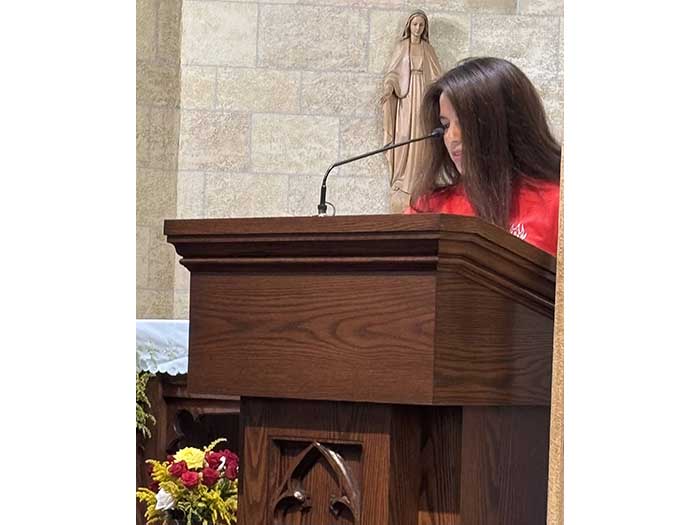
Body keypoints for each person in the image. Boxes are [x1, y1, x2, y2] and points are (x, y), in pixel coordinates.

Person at [406, 57, 561, 256]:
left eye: (464, 122)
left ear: (505, 122)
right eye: (445, 125)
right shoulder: (428, 207)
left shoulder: (558, 203)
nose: (452, 137)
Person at [381, 10, 442, 214]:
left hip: (423, 95)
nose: (418, 28)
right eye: (415, 24)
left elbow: (437, 76)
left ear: (425, 28)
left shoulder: (428, 49)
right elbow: (392, 73)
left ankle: (418, 179)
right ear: (409, 25)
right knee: (404, 136)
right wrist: (389, 87)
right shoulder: (402, 47)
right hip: (405, 98)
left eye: (421, 25)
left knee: (421, 137)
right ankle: (401, 178)